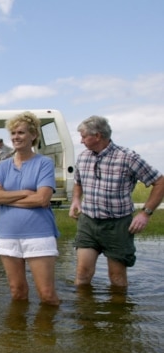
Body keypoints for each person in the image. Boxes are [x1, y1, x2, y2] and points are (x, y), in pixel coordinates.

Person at [68, 115, 164, 289]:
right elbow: (78, 181)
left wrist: (145, 213)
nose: (81, 141)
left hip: (118, 225)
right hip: (88, 222)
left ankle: (119, 315)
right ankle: (82, 315)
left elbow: (160, 181)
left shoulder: (128, 157)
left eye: (83, 137)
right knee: (82, 274)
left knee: (117, 279)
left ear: (97, 136)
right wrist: (76, 199)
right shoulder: (83, 157)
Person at [0, 111, 60, 306]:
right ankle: (19, 336)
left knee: (47, 294)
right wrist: (27, 193)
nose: (15, 137)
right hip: (7, 234)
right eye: (13, 133)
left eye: (20, 132)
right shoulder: (2, 166)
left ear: (33, 135)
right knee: (17, 292)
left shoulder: (44, 163)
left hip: (39, 234)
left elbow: (43, 199)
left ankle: (47, 335)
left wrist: (6, 197)